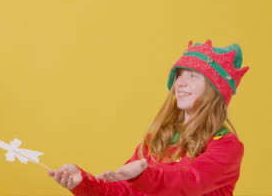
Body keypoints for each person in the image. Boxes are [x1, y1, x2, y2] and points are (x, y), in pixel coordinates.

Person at [49, 40, 249, 196]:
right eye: (179, 75)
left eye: (193, 76)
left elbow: (188, 183)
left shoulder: (226, 147)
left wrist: (142, 175)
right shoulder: (159, 138)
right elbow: (123, 190)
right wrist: (83, 183)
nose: (180, 83)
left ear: (215, 91)